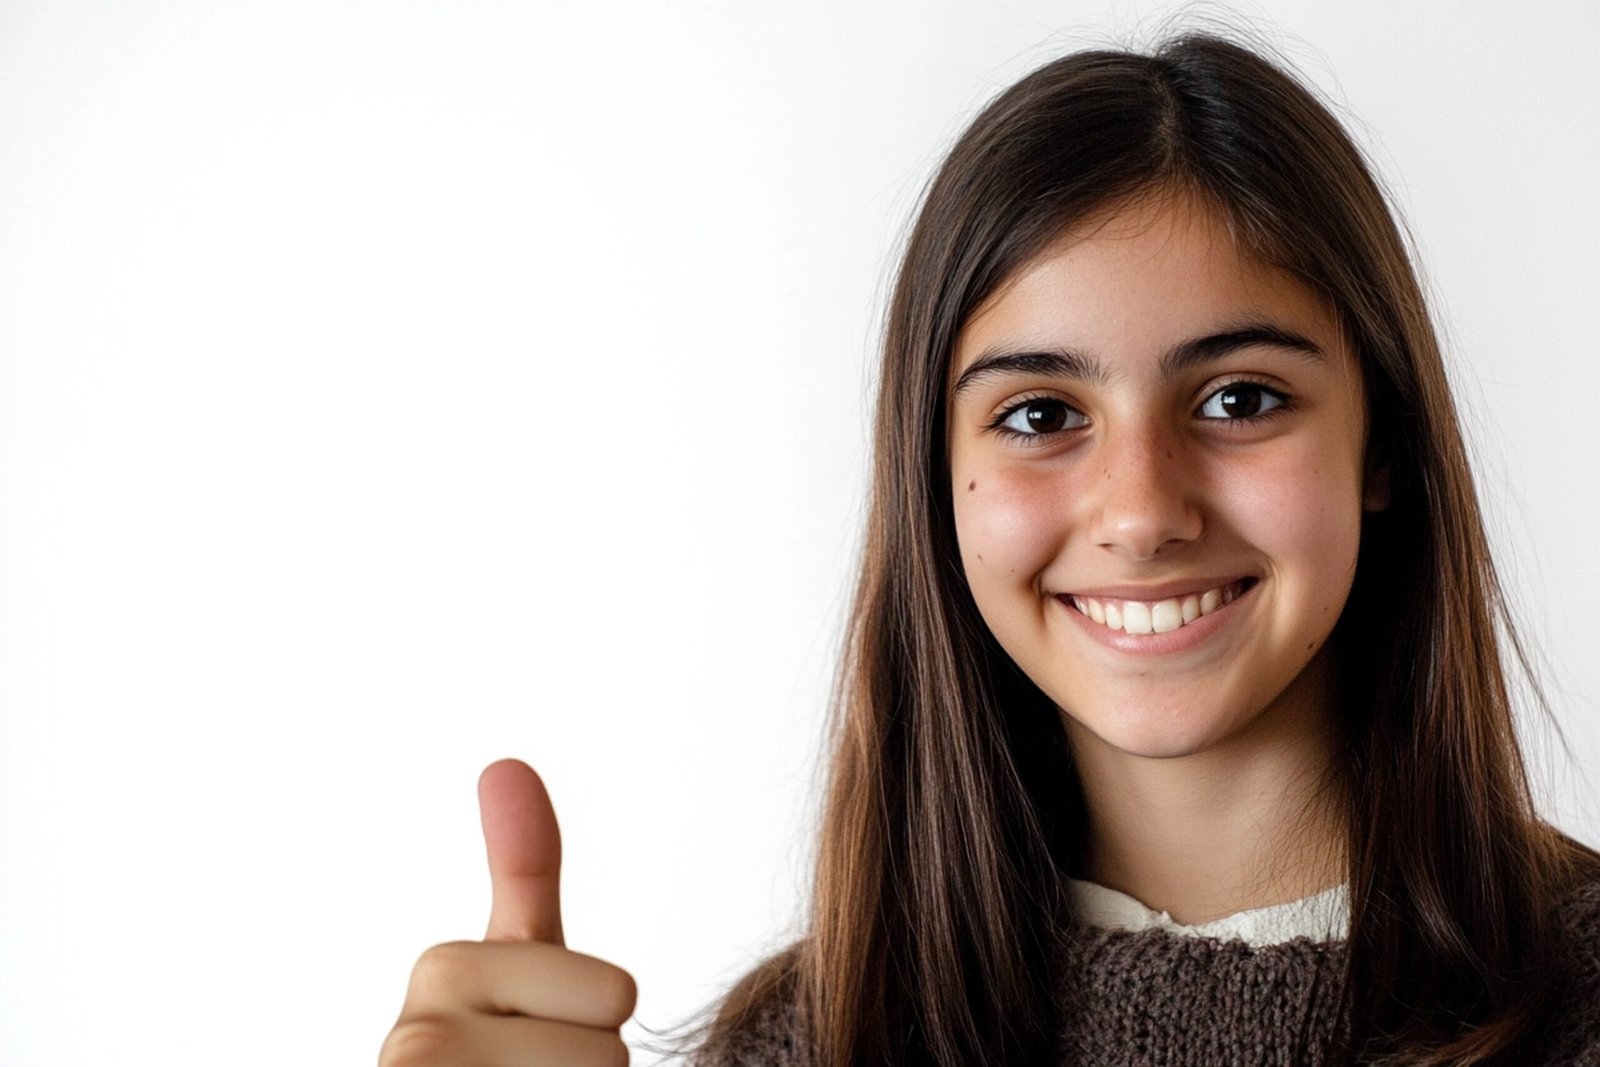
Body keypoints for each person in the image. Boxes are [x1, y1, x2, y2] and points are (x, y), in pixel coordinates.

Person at [377, 27, 1600, 1067]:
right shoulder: (806, 1044)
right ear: (937, 488)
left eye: (1237, 398)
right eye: (1039, 415)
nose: (1139, 509)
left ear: (1380, 445)